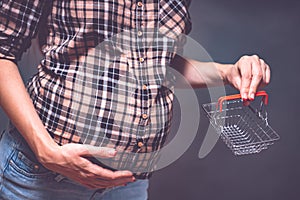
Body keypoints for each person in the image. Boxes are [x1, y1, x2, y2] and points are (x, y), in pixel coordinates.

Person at [0, 0, 270, 199]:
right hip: (45, 175)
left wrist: (227, 71)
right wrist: (46, 151)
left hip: (128, 185)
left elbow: (156, 62)